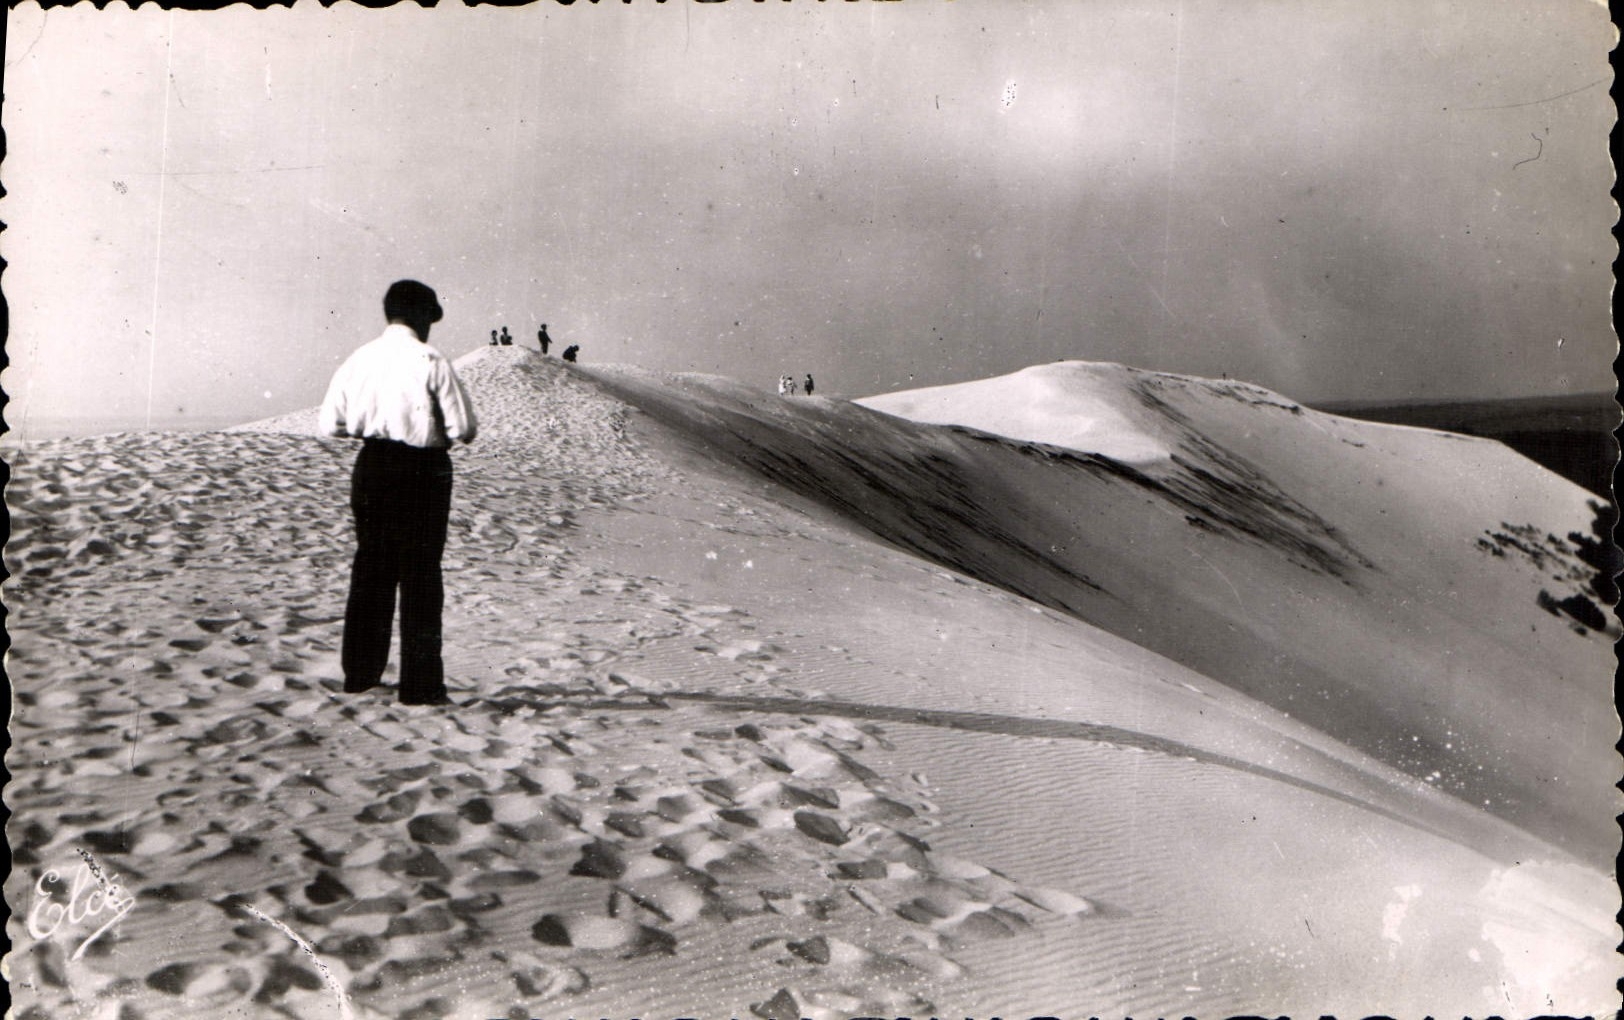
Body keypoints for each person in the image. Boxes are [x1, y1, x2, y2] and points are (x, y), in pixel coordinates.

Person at [319, 280, 478, 706]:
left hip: (371, 467)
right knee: (421, 575)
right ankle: (420, 686)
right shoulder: (430, 358)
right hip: (423, 471)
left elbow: (329, 424)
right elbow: (464, 430)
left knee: (371, 569)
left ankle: (360, 676)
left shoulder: (359, 358)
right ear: (422, 315)